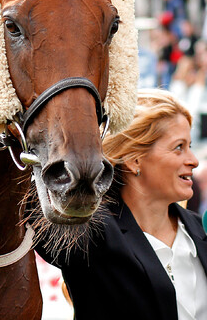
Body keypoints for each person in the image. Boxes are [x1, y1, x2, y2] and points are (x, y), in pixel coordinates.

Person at [38, 88, 207, 320]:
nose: (194, 160)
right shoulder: (90, 238)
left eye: (189, 146)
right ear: (134, 159)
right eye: (179, 147)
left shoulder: (201, 231)